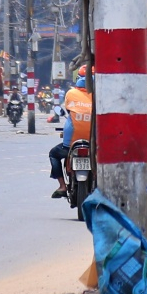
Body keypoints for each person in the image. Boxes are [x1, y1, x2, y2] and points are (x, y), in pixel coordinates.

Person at [53, 67, 93, 197]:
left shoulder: (71, 93)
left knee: (53, 154)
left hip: (70, 143)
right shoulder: (101, 94)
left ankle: (62, 186)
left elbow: (69, 111)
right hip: (95, 143)